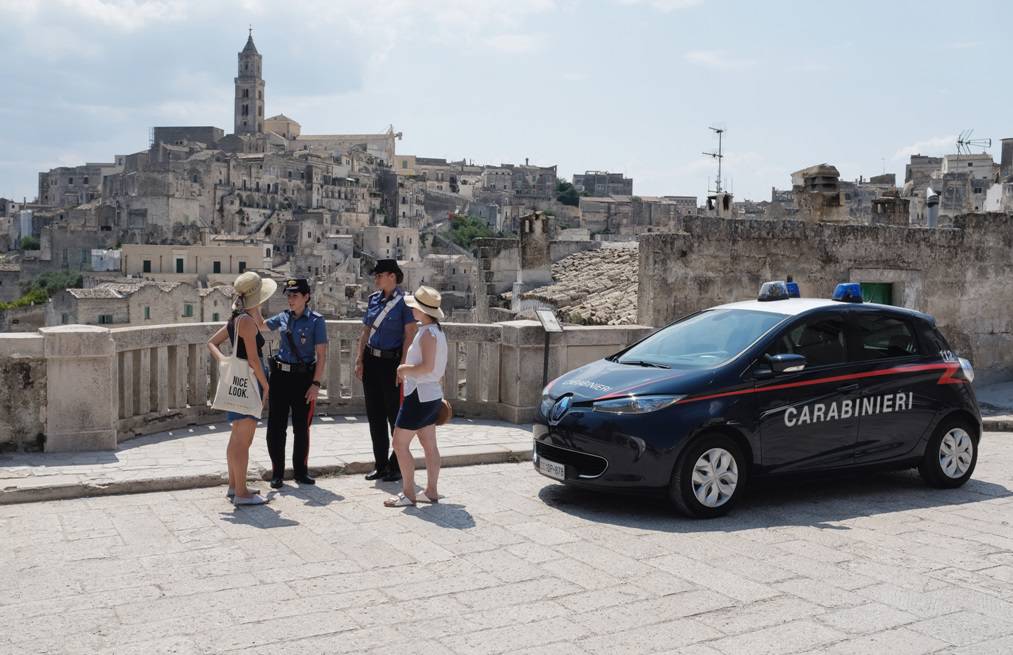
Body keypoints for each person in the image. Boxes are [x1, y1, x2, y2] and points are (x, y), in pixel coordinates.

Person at [207, 271, 276, 506]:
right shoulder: (246, 321)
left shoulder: (237, 318)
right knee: (243, 440)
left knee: (236, 436)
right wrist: (266, 386)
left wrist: (224, 362)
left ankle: (234, 485)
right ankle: (242, 493)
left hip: (236, 381)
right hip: (250, 381)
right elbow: (255, 360)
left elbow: (212, 343)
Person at [384, 286, 448, 507]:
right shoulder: (434, 331)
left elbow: (426, 366)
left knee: (399, 443)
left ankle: (409, 493)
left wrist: (404, 369)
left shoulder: (428, 334)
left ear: (423, 310)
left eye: (415, 306)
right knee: (428, 443)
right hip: (430, 395)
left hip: (419, 395)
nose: (412, 308)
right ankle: (431, 491)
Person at [355, 259, 417, 482]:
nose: (375, 279)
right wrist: (359, 359)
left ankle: (396, 465)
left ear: (392, 276)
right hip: (372, 360)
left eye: (379, 275)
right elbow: (365, 331)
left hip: (392, 363)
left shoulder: (405, 303)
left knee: (395, 417)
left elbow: (409, 336)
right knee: (375, 416)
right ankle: (380, 465)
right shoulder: (373, 300)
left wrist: (403, 365)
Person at [263, 278, 329, 489]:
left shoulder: (317, 321)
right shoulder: (282, 317)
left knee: (301, 428)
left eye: (295, 296)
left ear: (306, 297)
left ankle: (301, 472)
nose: (291, 300)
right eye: (289, 295)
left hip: (303, 379)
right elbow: (260, 326)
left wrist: (316, 384)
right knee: (276, 427)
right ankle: (277, 473)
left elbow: (321, 354)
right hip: (281, 377)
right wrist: (252, 304)